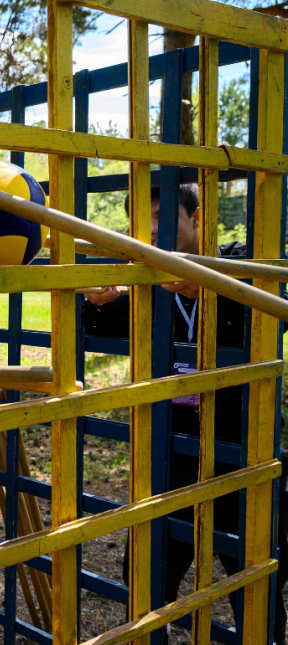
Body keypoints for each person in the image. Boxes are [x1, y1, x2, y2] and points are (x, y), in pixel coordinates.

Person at [82, 183, 288, 644]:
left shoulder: (239, 266)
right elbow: (92, 323)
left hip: (243, 450)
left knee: (258, 580)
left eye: (164, 221)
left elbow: (273, 291)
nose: (154, 234)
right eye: (146, 226)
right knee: (144, 571)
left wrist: (206, 279)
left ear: (198, 221)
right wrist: (93, 301)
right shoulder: (144, 285)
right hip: (170, 453)